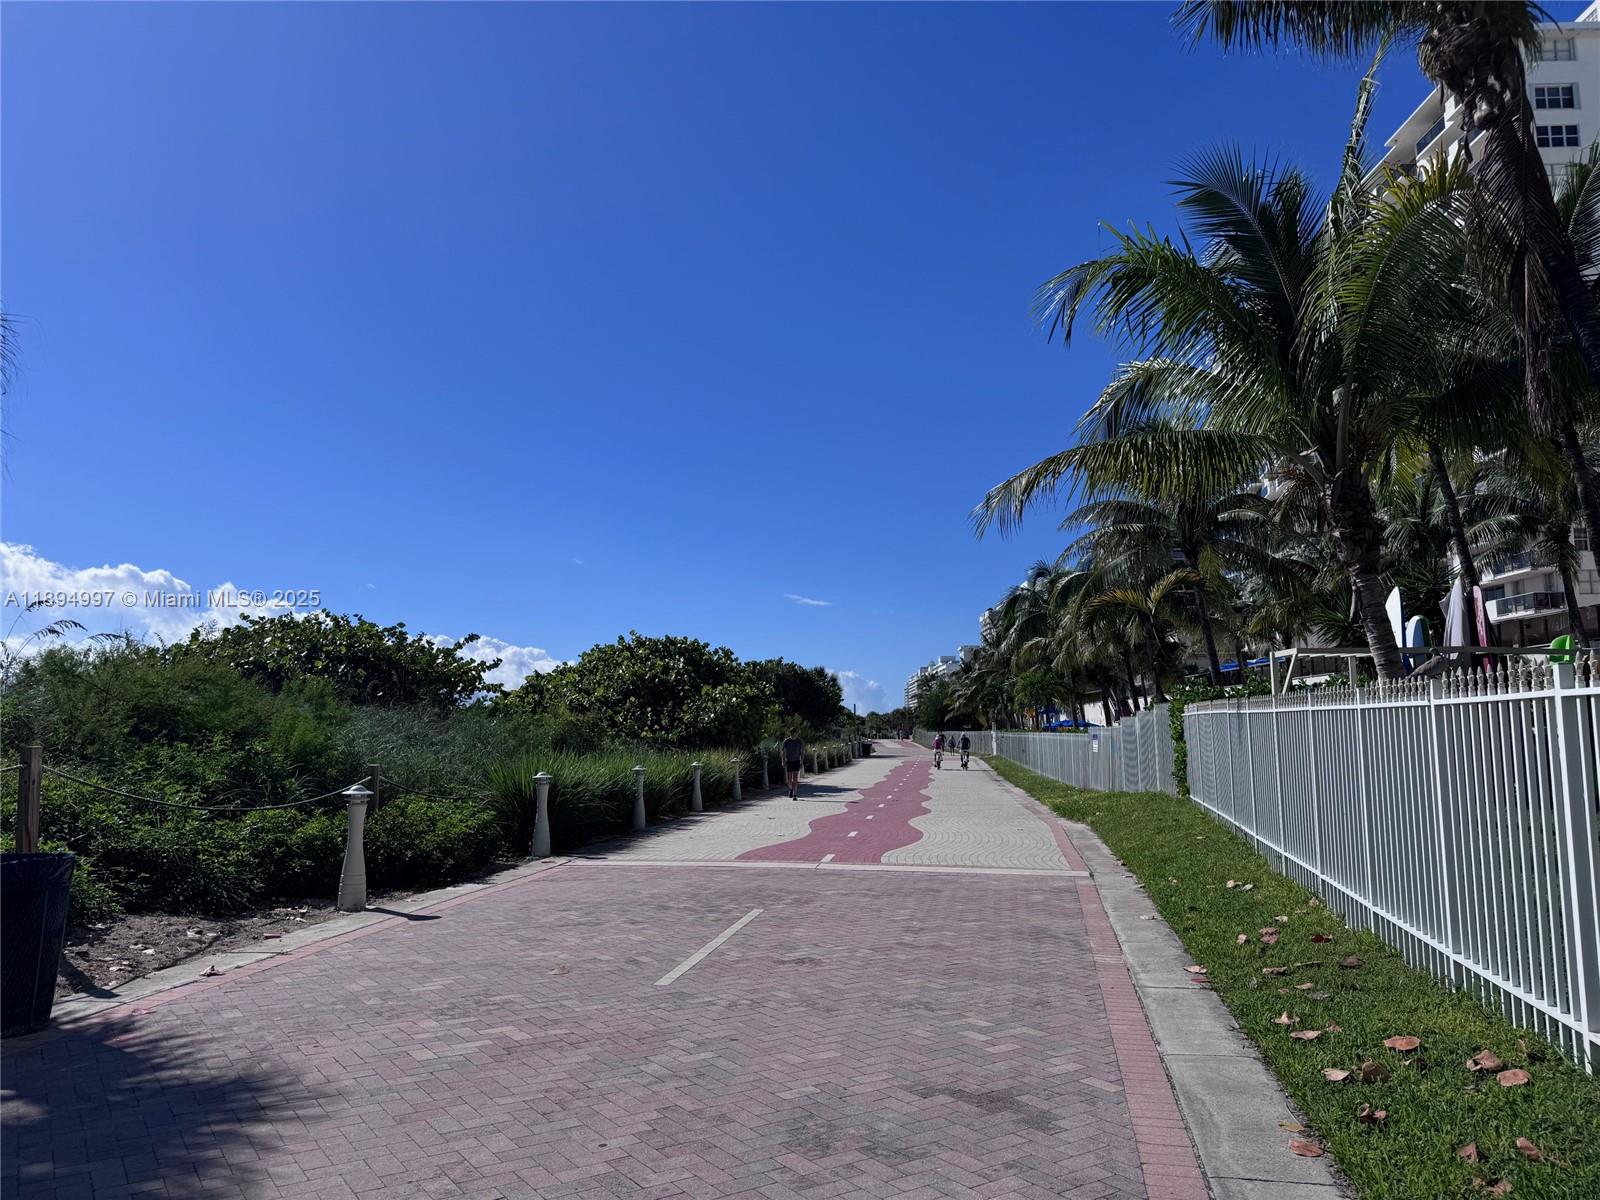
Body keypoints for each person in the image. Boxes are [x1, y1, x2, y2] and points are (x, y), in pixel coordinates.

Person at [781, 734, 804, 799]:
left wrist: (802, 762)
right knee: (789, 779)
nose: (794, 735)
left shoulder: (799, 741)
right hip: (789, 761)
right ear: (791, 734)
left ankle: (795, 794)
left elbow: (802, 752)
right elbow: (783, 751)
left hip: (796, 761)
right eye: (792, 733)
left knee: (795, 778)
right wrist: (782, 761)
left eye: (795, 733)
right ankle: (791, 789)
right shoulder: (786, 741)